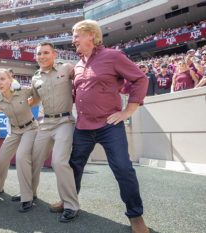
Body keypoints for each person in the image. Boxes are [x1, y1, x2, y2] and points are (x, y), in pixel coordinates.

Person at [69, 19, 149, 233]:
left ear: (91, 36)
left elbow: (140, 79)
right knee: (73, 167)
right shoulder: (77, 64)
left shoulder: (113, 56)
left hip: (109, 126)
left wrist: (129, 110)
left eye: (76, 34)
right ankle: (70, 202)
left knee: (123, 168)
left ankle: (136, 215)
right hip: (83, 127)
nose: (73, 39)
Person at [31, 42, 80, 222]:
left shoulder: (67, 68)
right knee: (33, 160)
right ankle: (29, 195)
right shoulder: (35, 77)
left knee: (59, 162)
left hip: (64, 122)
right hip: (45, 124)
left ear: (54, 54)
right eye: (38, 54)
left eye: (45, 53)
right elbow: (34, 100)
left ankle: (70, 205)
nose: (42, 56)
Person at [0, 68, 38, 212]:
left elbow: (39, 94)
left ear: (10, 80)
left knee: (21, 157)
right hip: (14, 131)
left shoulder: (23, 91)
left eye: (3, 79)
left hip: (30, 128)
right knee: (1, 159)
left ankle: (27, 197)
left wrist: (31, 103)